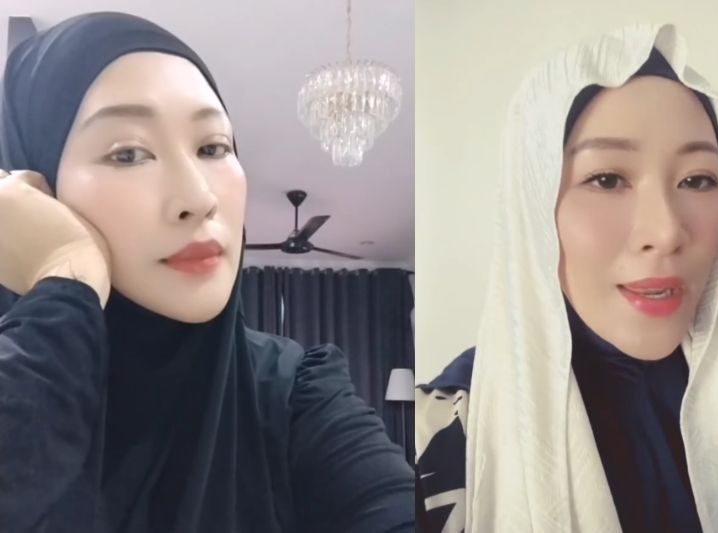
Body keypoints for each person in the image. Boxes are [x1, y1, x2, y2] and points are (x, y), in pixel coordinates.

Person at [0, 12, 414, 533]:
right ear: (37, 189)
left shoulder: (293, 392)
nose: (199, 198)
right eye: (128, 154)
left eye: (212, 147)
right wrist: (68, 283)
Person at [415, 24, 718, 532]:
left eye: (698, 179)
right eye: (607, 179)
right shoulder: (443, 433)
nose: (665, 232)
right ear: (533, 202)